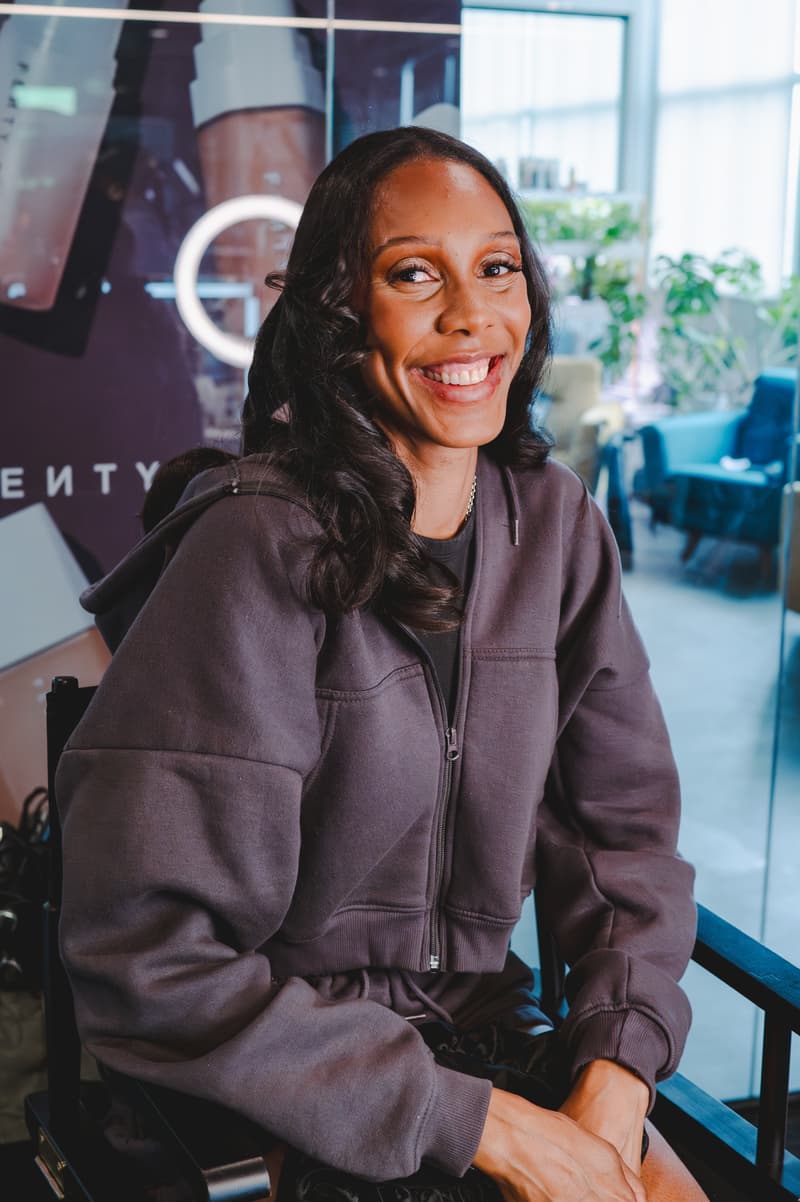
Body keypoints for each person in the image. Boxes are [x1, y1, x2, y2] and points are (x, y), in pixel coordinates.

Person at [59, 127, 707, 1202]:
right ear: (338, 312)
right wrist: (487, 1127)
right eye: (415, 274)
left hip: (480, 1033)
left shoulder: (552, 526)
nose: (470, 314)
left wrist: (612, 1075)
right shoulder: (255, 547)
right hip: (271, 1075)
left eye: (495, 267)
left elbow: (620, 839)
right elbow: (148, 959)